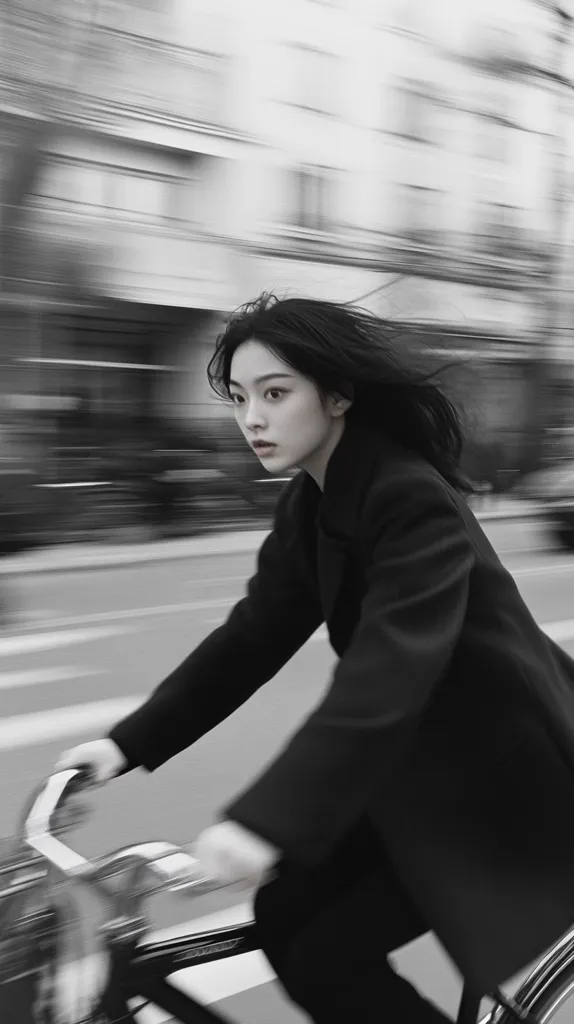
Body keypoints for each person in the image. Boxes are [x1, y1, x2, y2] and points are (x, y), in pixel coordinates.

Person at [56, 294, 574, 1023]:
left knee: (331, 950)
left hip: (501, 788)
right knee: (287, 919)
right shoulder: (315, 501)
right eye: (240, 398)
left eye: (275, 393)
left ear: (337, 395)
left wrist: (266, 820)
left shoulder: (408, 498)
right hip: (420, 772)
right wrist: (124, 744)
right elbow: (253, 637)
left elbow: (388, 672)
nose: (252, 419)